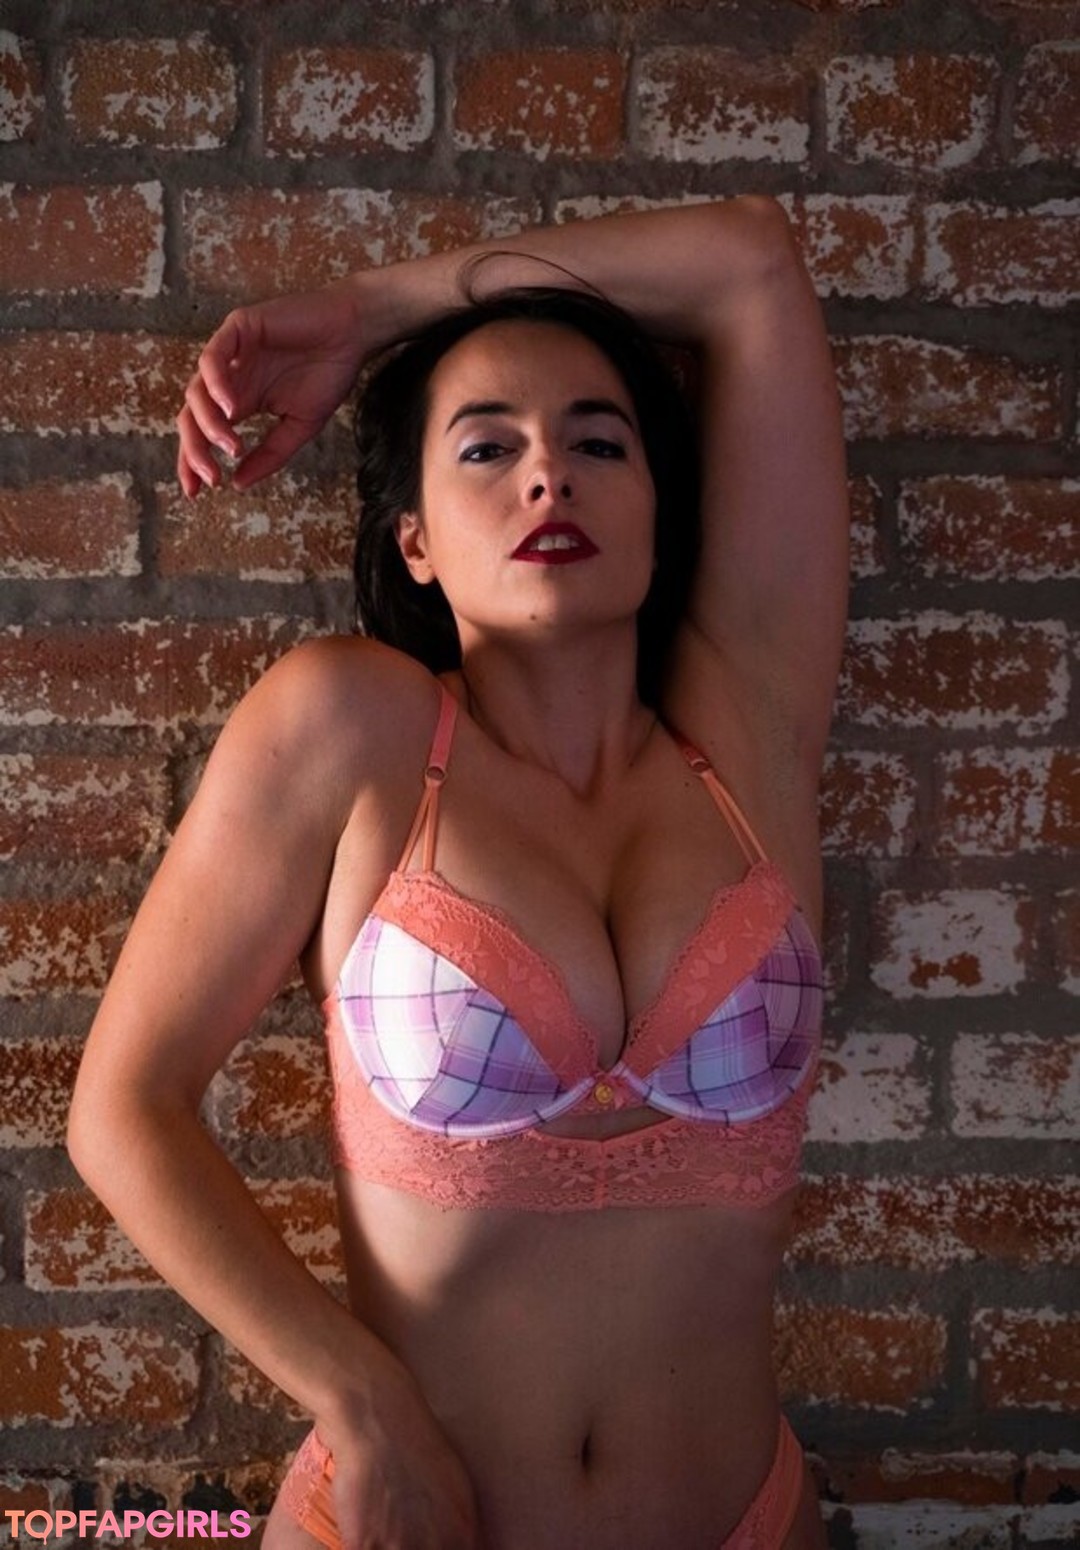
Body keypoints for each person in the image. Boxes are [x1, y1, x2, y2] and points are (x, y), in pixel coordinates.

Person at [69, 199, 849, 1550]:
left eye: (598, 442)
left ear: (659, 510)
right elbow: (121, 1110)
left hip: (746, 1521)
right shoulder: (353, 728)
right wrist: (360, 1401)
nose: (550, 476)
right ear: (414, 539)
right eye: (488, 446)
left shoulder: (749, 732)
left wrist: (369, 311)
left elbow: (749, 264)